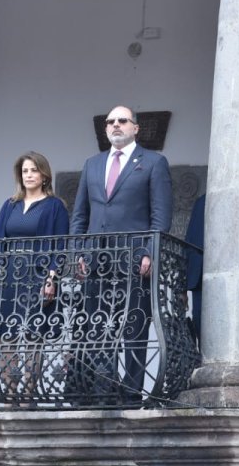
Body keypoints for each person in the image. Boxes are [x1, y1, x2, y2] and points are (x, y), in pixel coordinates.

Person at [70, 106, 172, 403]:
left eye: (122, 121)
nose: (116, 125)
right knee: (97, 324)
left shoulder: (153, 162)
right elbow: (80, 215)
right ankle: (104, 388)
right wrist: (79, 251)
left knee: (134, 325)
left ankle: (130, 392)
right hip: (95, 259)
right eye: (110, 122)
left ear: (135, 128)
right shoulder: (92, 164)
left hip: (134, 258)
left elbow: (160, 215)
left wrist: (151, 252)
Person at [0, 151, 69, 403]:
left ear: (44, 175)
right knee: (5, 334)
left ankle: (28, 394)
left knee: (32, 335)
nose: (29, 175)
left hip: (38, 275)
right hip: (9, 275)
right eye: (25, 171)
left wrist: (52, 278)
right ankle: (10, 394)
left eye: (33, 170)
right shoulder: (10, 205)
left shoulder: (55, 207)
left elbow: (59, 245)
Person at [183, 193, 205, 347]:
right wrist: (182, 287)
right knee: (201, 328)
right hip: (201, 281)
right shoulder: (201, 202)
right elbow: (189, 244)